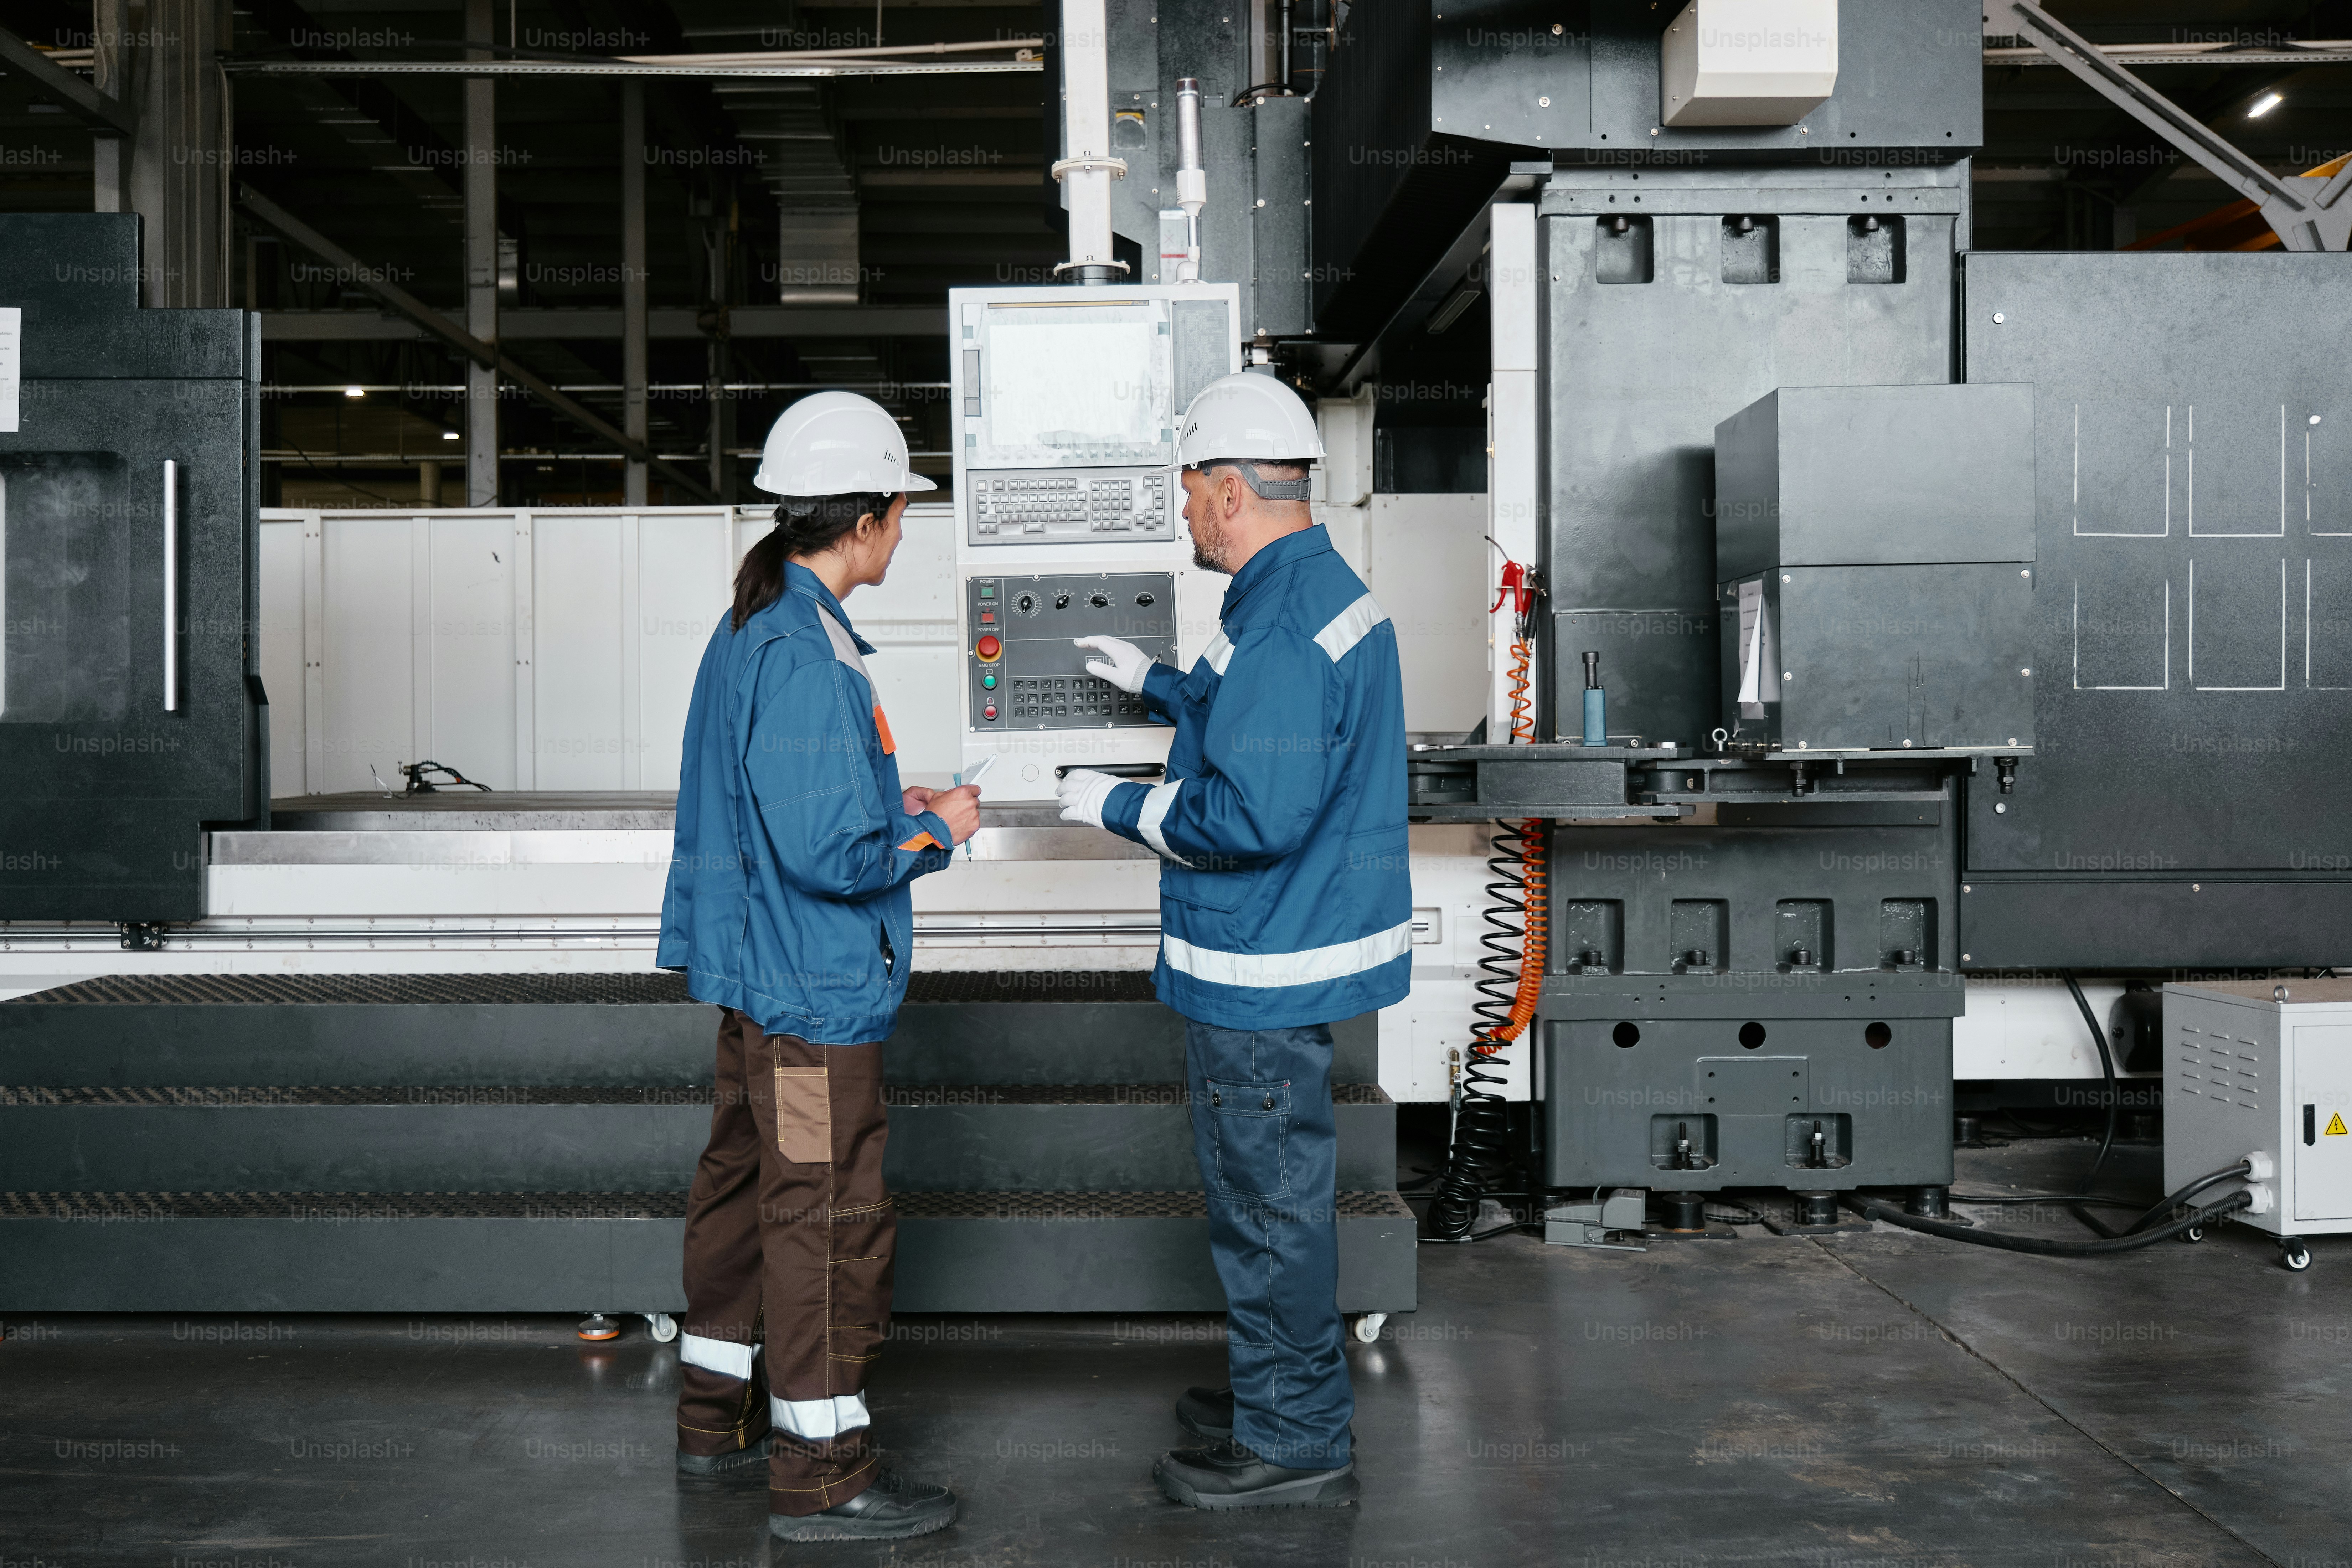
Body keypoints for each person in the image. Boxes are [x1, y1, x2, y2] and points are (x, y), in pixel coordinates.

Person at [1053, 371, 1411, 1510]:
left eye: (1188, 491)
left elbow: (1250, 816)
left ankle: (1297, 1436)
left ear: (1225, 489)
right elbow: (1249, 720)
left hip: (1261, 969)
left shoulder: (1286, 625)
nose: (1185, 514)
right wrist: (1154, 681)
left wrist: (1108, 804)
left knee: (1268, 1212)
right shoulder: (1290, 596)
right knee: (1267, 1202)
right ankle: (1274, 1390)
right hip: (1279, 957)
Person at [658, 391, 980, 1543]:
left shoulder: (762, 624)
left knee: (744, 1200)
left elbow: (783, 815)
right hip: (810, 1000)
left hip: (762, 985)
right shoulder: (804, 653)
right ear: (869, 520)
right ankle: (826, 1472)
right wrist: (938, 829)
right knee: (826, 1218)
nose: (904, 533)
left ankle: (714, 1420)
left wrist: (888, 804)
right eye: (903, 514)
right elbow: (833, 852)